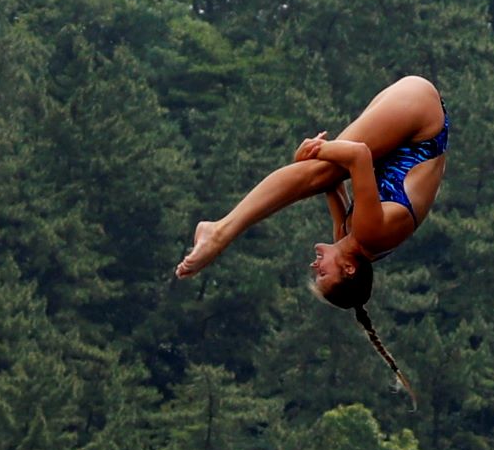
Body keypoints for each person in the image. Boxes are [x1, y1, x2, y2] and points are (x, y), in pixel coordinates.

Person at [174, 75, 448, 402]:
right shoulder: (370, 233)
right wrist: (320, 149)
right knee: (319, 170)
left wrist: (312, 160)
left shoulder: (350, 238)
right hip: (420, 115)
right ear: (348, 269)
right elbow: (358, 156)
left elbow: (331, 186)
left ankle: (221, 230)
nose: (314, 264)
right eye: (322, 272)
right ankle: (220, 232)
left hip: (408, 126)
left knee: (318, 174)